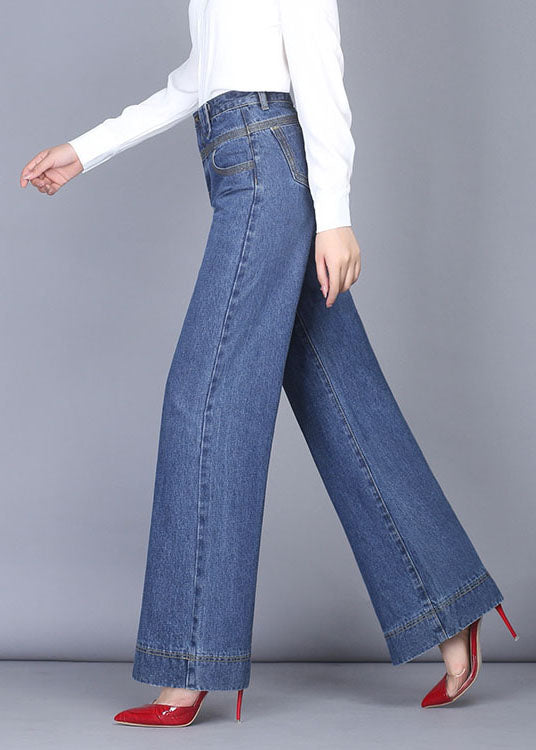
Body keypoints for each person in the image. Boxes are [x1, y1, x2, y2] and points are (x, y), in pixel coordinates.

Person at [20, 0, 518, 727]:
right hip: (243, 170)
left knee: (204, 399)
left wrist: (336, 216)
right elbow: (199, 79)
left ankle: (191, 664)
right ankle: (450, 603)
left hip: (268, 175)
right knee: (340, 398)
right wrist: (85, 148)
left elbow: (320, 70)